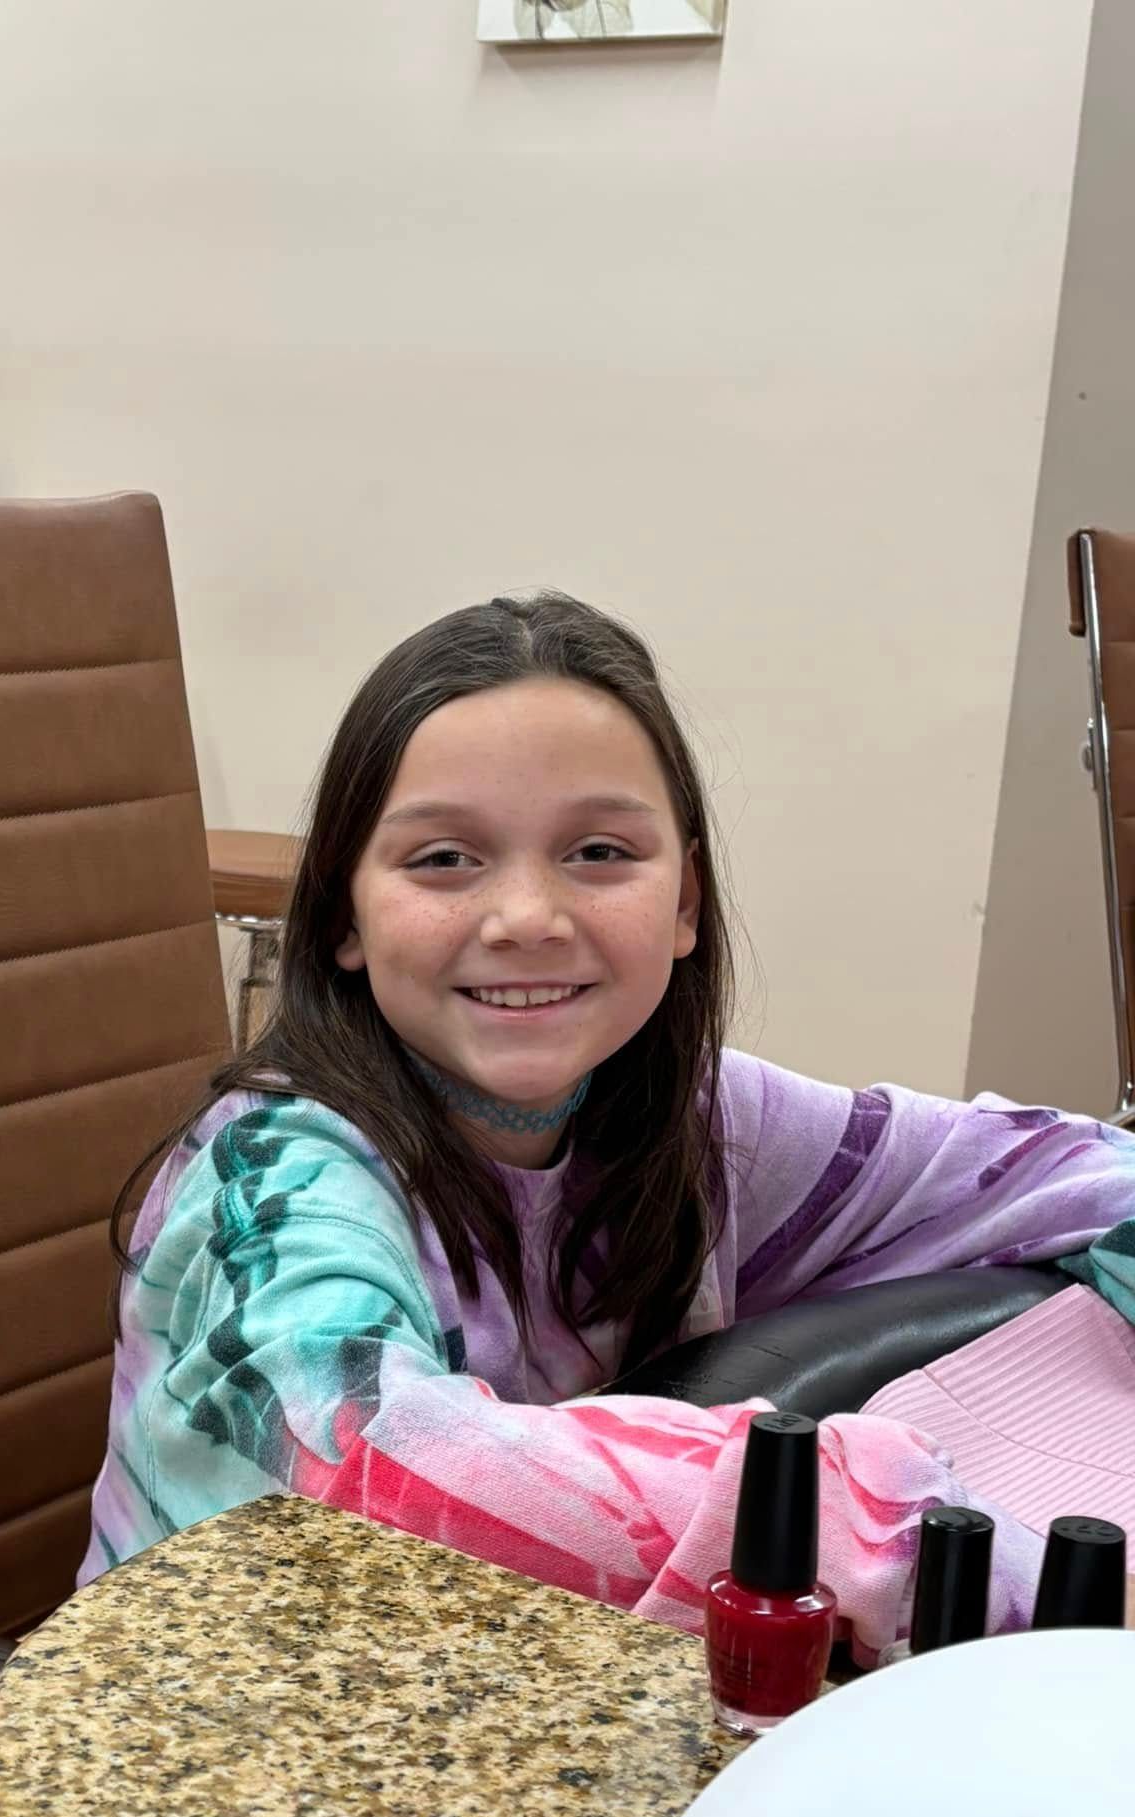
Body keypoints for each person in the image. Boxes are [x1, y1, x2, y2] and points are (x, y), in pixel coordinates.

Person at [79, 593, 1135, 1662]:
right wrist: (873, 1523)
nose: (528, 916)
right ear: (344, 915)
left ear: (685, 903)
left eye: (598, 850)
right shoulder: (273, 1172)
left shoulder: (700, 1121)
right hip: (216, 1747)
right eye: (444, 858)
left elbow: (1057, 1172)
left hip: (521, 1706)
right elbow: (368, 1463)